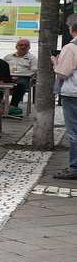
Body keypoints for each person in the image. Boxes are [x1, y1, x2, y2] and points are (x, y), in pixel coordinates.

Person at [54, 15, 77, 181]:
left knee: (74, 132)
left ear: (72, 29)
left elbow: (63, 72)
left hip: (73, 93)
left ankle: (75, 167)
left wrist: (55, 63)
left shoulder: (71, 47)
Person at [4, 38, 34, 116]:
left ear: (29, 47)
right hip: (8, 78)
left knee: (20, 84)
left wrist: (19, 76)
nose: (23, 47)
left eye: (26, 45)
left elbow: (34, 71)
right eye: (21, 45)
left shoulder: (32, 58)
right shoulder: (8, 57)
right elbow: (1, 67)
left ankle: (13, 106)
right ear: (16, 46)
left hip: (23, 78)